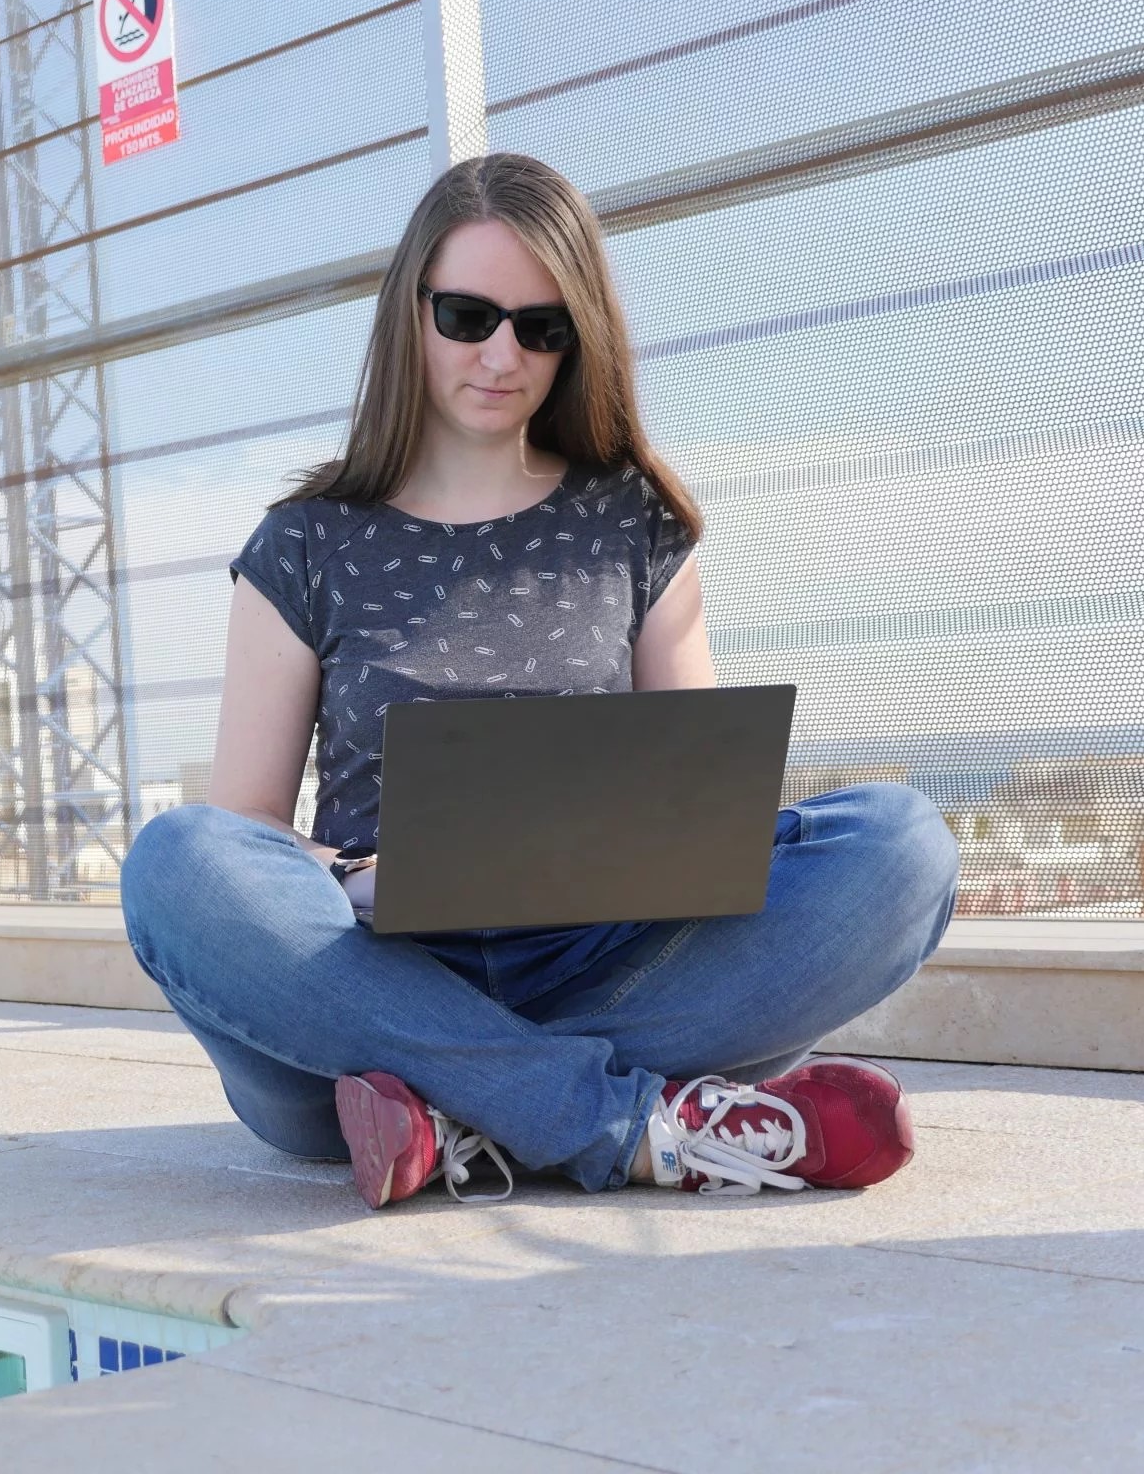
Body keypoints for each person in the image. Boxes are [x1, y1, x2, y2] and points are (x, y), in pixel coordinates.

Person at [117, 153, 961, 1209]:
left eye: (541, 326)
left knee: (899, 846)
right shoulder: (302, 543)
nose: (501, 353)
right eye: (468, 316)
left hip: (603, 972)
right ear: (409, 315)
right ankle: (626, 1122)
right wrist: (359, 871)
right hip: (356, 992)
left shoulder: (634, 524)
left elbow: (698, 810)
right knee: (175, 862)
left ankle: (466, 1114)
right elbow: (242, 832)